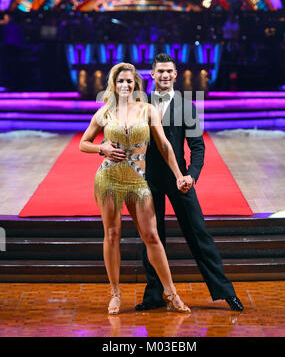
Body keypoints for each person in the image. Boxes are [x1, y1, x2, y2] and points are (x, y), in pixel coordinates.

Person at [102, 53, 243, 312]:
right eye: (160, 72)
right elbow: (116, 129)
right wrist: (104, 147)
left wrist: (191, 175)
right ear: (152, 75)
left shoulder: (187, 106)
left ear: (175, 75)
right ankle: (155, 295)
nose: (165, 75)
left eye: (170, 71)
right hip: (145, 180)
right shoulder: (138, 104)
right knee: (152, 238)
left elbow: (197, 147)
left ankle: (225, 291)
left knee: (199, 234)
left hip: (180, 179)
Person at [79, 62, 193, 315]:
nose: (125, 85)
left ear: (136, 84)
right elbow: (83, 143)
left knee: (151, 235)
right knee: (112, 235)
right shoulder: (104, 113)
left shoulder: (147, 110)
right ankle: (115, 294)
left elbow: (164, 146)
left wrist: (179, 175)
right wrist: (102, 148)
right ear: (113, 83)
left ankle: (171, 293)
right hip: (109, 178)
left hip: (138, 179)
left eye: (130, 81)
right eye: (120, 81)